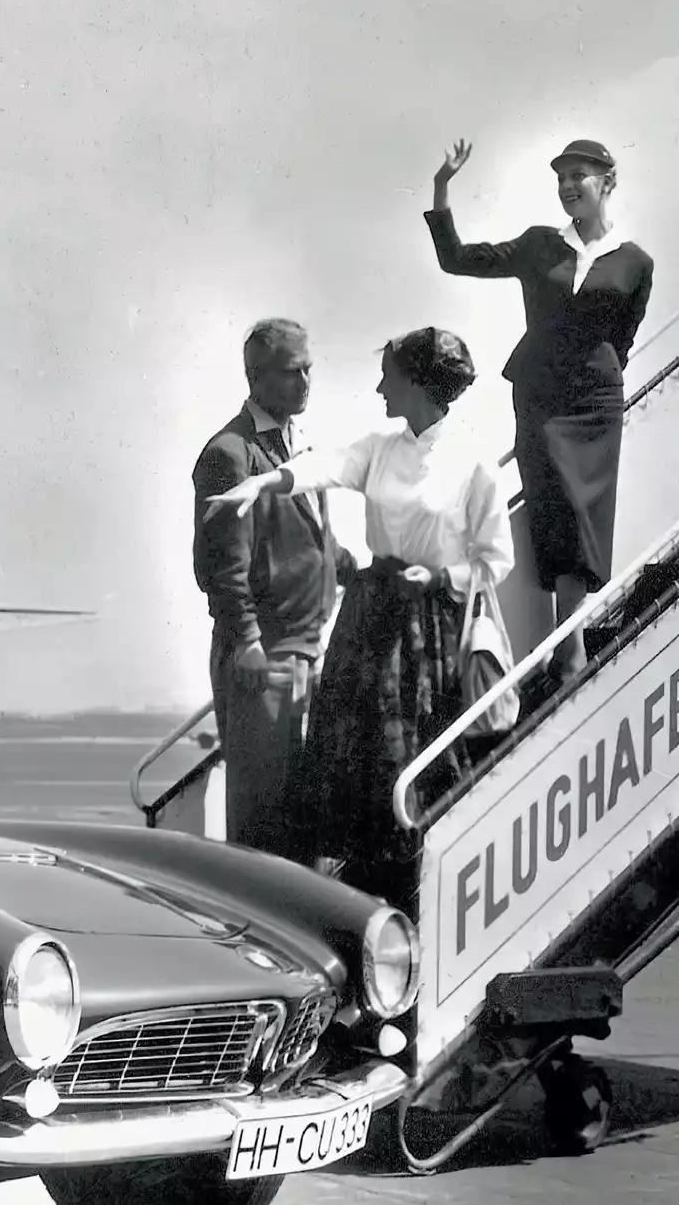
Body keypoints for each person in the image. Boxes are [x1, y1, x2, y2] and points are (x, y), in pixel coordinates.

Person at [205, 328, 515, 909]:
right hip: (369, 622)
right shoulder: (377, 446)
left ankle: (414, 903)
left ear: (417, 383)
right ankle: (353, 906)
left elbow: (496, 559)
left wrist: (439, 578)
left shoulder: (473, 463)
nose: (378, 389)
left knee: (414, 763)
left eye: (388, 378)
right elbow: (322, 470)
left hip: (428, 631)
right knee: (354, 769)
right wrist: (262, 481)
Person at [424, 138, 655, 681]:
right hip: (541, 396)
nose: (568, 186)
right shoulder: (539, 244)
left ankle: (568, 649)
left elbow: (622, 337)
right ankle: (567, 646)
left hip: (595, 403)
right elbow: (457, 259)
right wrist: (441, 187)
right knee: (555, 506)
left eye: (579, 176)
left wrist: (599, 378)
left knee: (584, 512)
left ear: (607, 181)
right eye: (561, 178)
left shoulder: (637, 263)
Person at [191, 318, 354, 862]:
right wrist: (247, 641)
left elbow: (317, 539)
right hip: (264, 654)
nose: (305, 382)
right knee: (263, 820)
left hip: (304, 648)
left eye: (309, 369)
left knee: (300, 814)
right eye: (291, 372)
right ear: (256, 377)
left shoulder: (298, 446)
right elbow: (221, 565)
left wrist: (363, 571)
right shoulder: (230, 454)